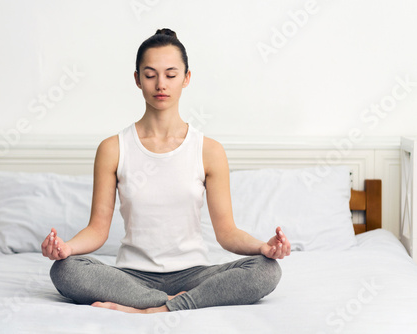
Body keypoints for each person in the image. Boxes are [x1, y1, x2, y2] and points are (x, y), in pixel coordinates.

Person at [41, 28, 291, 313]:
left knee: (266, 270)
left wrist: (263, 248)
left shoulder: (209, 150)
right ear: (137, 79)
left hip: (194, 274)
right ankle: (178, 303)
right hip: (131, 276)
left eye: (171, 75)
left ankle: (151, 308)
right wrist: (66, 248)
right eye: (150, 75)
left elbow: (227, 233)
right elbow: (97, 231)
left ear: (186, 78)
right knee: (64, 270)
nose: (161, 84)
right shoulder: (113, 148)